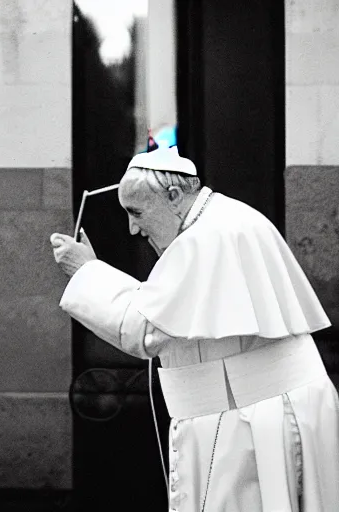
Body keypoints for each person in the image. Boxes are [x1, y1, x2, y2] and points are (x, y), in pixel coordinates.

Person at [50, 146, 339, 512]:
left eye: (136, 212)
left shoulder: (203, 240)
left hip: (249, 420)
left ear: (173, 196)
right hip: (269, 407)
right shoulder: (226, 219)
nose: (133, 229)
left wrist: (86, 272)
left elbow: (145, 329)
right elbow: (169, 306)